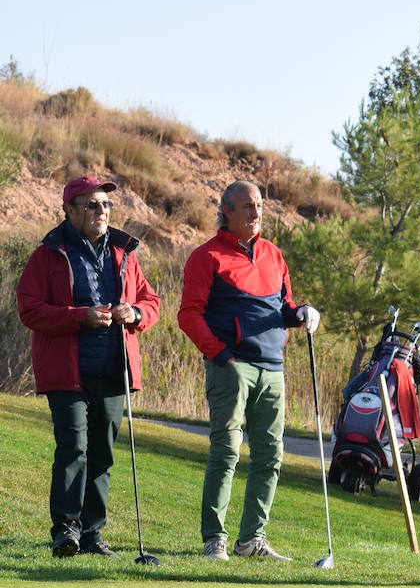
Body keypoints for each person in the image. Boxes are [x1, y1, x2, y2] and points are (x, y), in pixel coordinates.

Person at [17, 176, 162, 557]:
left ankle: (93, 535)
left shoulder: (124, 252)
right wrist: (80, 316)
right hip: (68, 371)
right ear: (69, 210)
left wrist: (135, 312)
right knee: (73, 449)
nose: (102, 211)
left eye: (107, 205)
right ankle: (66, 532)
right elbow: (30, 310)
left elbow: (151, 301)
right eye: (93, 205)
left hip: (115, 371)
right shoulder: (48, 254)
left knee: (101, 455)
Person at [178, 181, 319, 561]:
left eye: (259, 205)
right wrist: (222, 357)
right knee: (226, 451)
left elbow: (283, 307)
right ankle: (215, 539)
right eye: (247, 207)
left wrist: (301, 312)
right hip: (233, 367)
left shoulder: (273, 254)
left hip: (273, 369)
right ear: (227, 211)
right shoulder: (206, 257)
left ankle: (251, 539)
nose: (256, 213)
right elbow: (188, 315)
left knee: (270, 456)